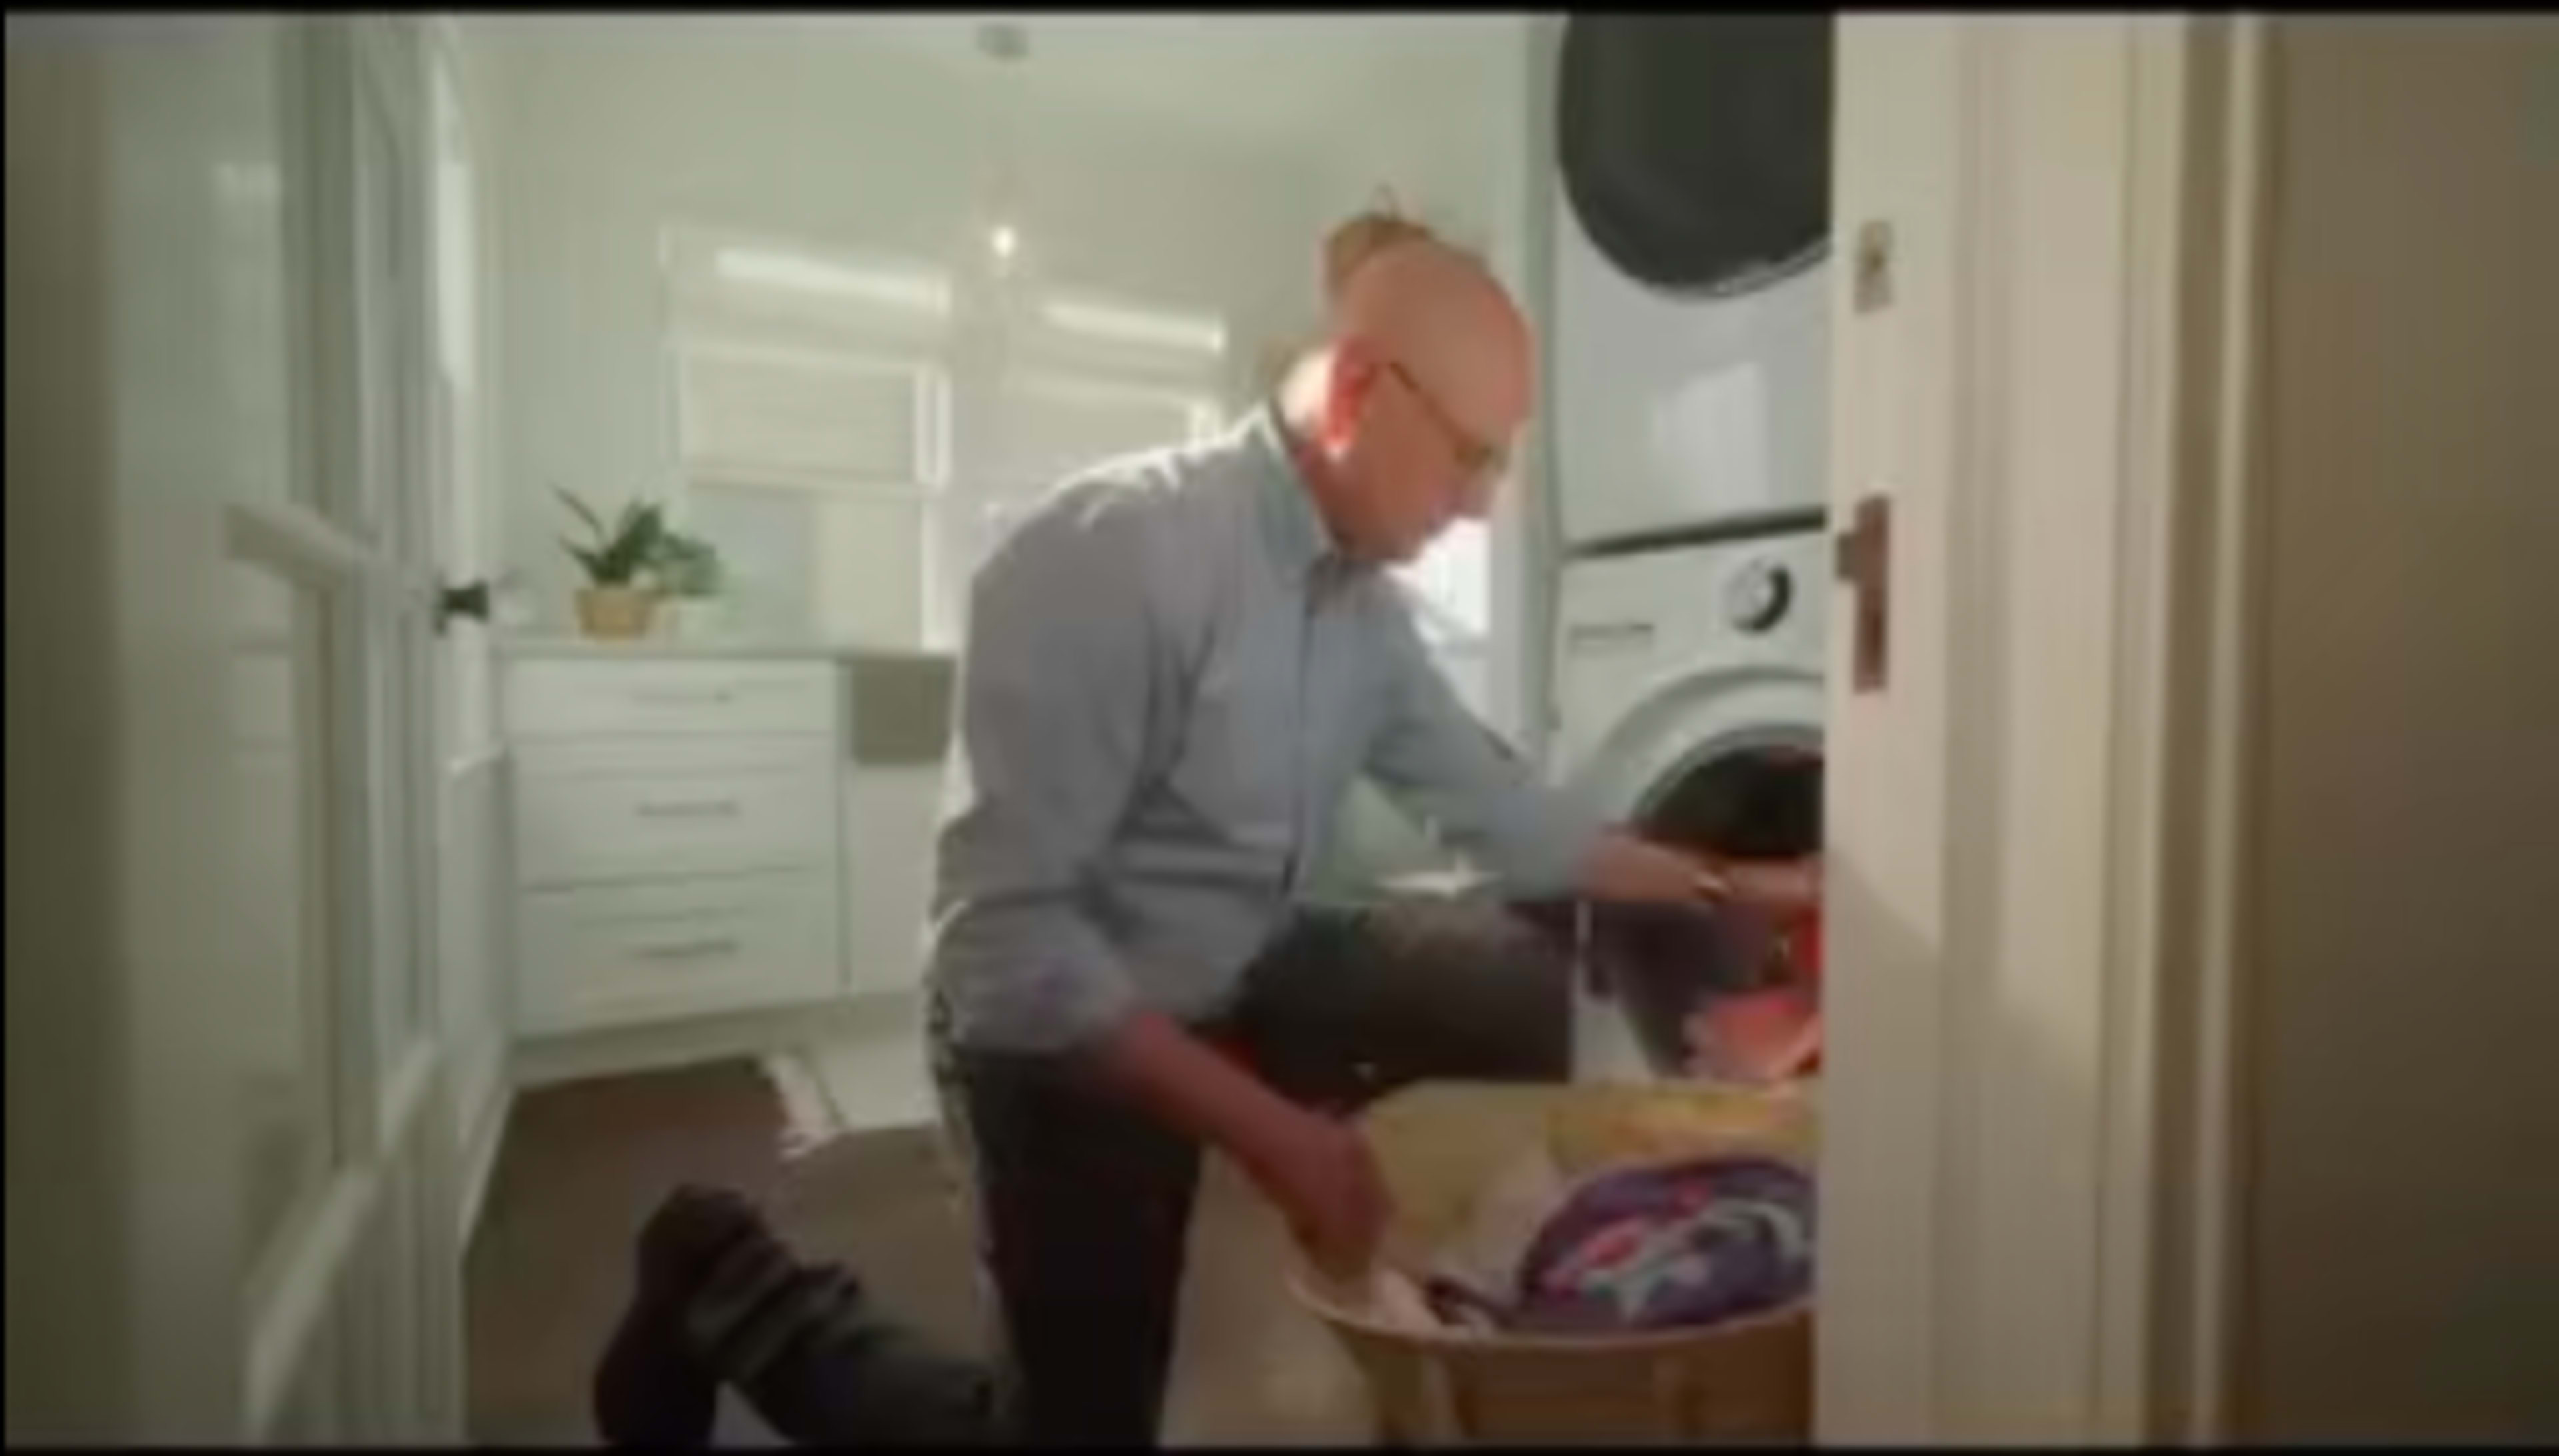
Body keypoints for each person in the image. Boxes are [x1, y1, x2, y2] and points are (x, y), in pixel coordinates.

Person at [590, 212, 1819, 1448]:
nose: (1482, 504)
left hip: (1242, 954)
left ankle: (1484, 1331)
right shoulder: (1110, 556)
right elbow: (1004, 948)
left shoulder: (1365, 614)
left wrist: (1740, 885)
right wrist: (1277, 1135)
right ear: (1357, 392)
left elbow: (1510, 821)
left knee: (1528, 989)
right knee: (1069, 1435)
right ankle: (729, 1280)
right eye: (1468, 457)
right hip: (1057, 1024)